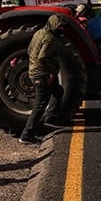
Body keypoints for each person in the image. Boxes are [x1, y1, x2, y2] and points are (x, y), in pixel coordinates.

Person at [20, 14, 69, 144]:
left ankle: (50, 120)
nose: (61, 30)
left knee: (58, 92)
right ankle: (26, 135)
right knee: (40, 104)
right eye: (59, 27)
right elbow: (43, 57)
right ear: (53, 25)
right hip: (42, 75)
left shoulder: (39, 33)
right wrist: (51, 73)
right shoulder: (50, 38)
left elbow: (30, 50)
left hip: (34, 71)